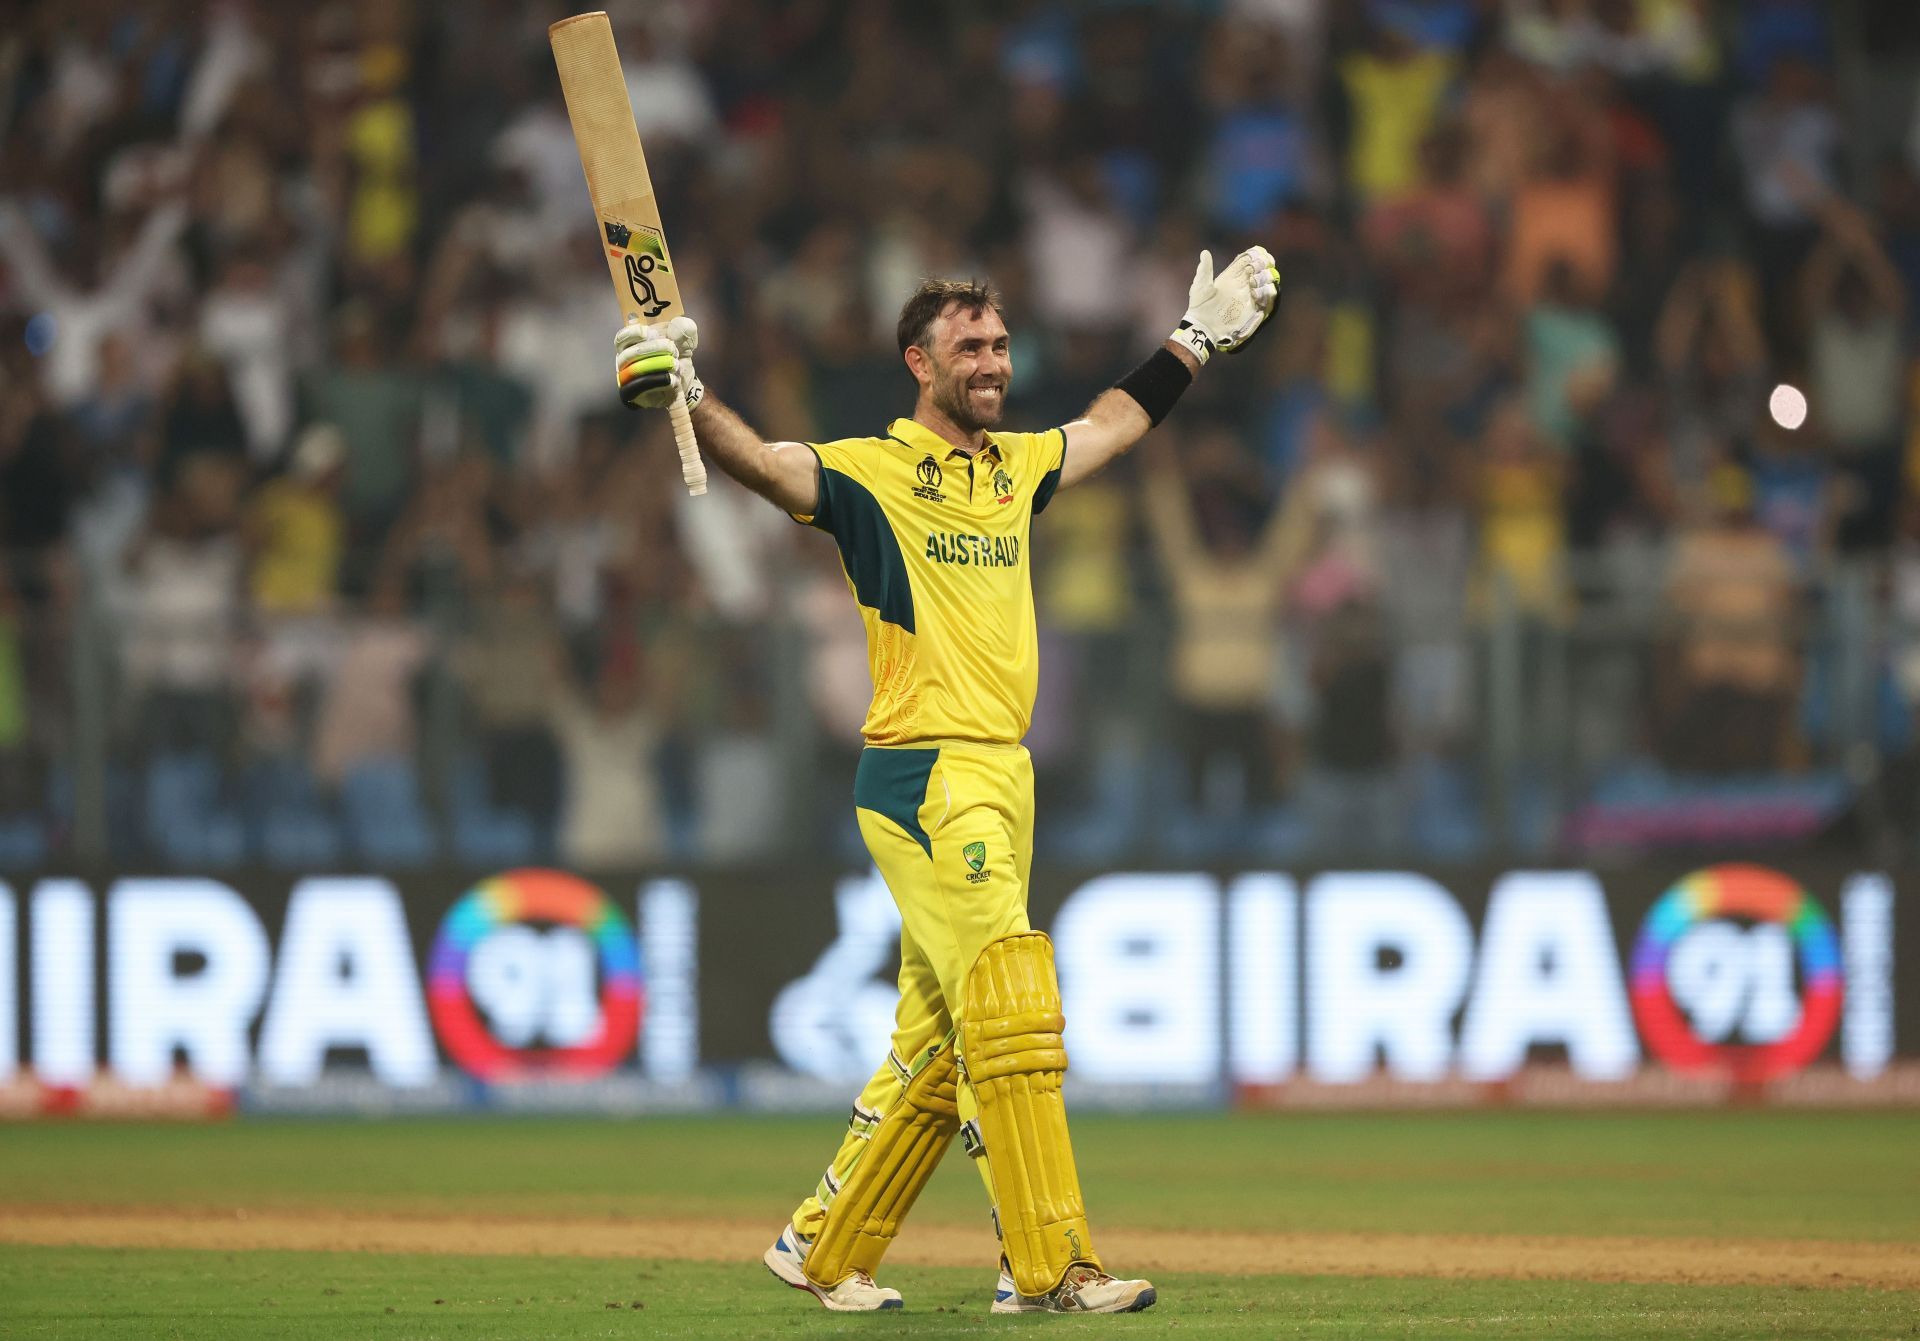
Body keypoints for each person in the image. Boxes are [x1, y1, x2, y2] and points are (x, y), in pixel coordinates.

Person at [613, 249, 1280, 1314]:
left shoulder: (1015, 470)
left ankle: (822, 1249)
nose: (993, 362)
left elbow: (1112, 423)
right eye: (969, 345)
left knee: (938, 1042)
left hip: (1000, 777)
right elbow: (775, 468)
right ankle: (1051, 1266)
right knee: (1011, 1000)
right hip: (926, 772)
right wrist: (691, 396)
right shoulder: (873, 471)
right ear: (918, 362)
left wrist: (1194, 340)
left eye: (1002, 344)